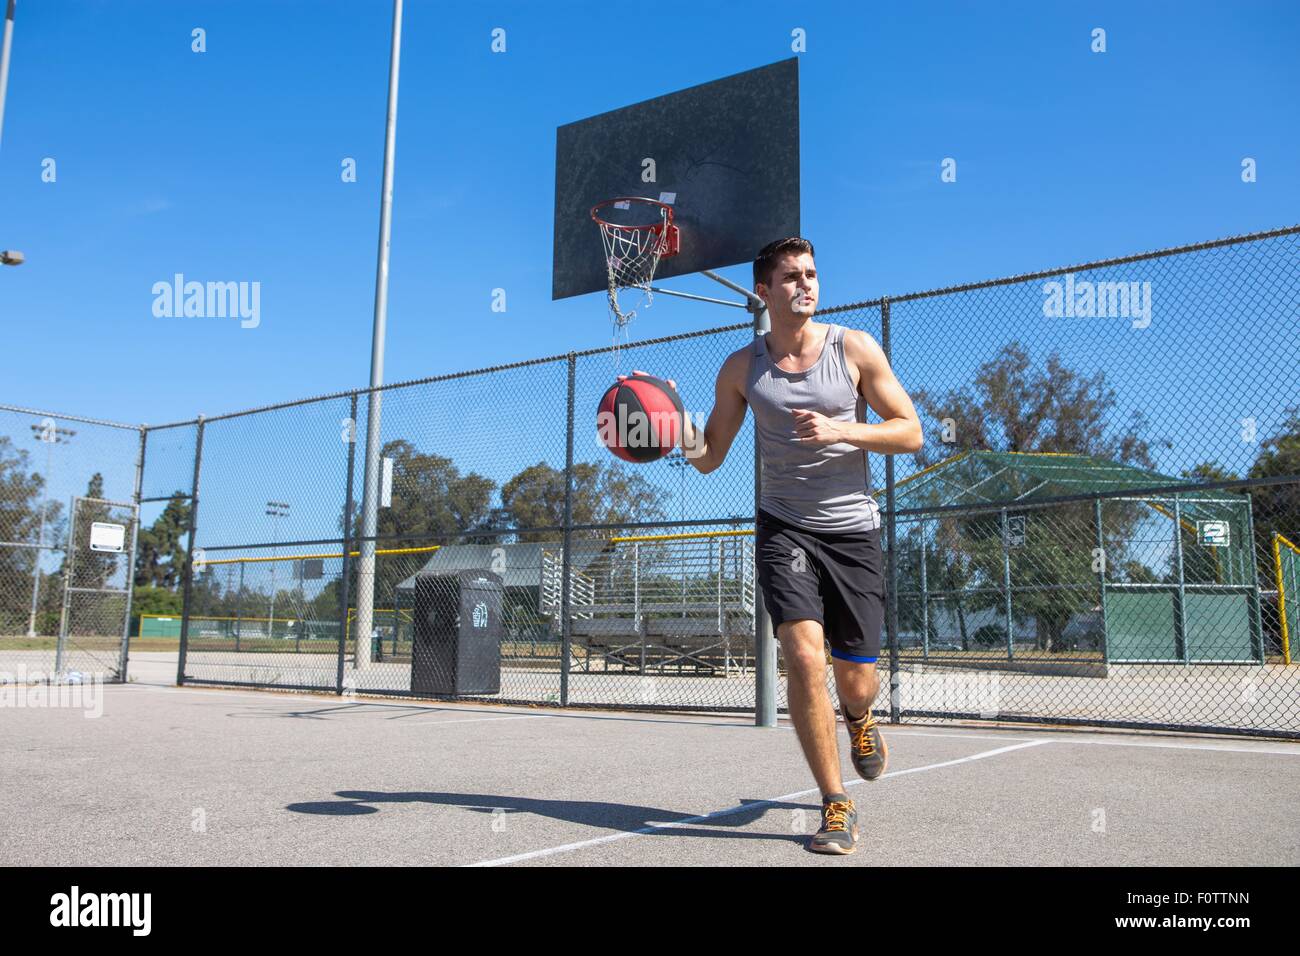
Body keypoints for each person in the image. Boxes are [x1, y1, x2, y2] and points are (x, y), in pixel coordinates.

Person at [620, 237, 922, 855]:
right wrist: (675, 427)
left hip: (853, 531)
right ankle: (836, 803)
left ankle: (860, 719)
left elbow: (912, 432)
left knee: (855, 684)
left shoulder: (854, 349)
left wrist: (842, 428)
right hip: (785, 527)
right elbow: (710, 460)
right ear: (764, 291)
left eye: (812, 274)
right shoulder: (741, 369)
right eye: (791, 277)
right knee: (805, 658)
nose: (806, 285)